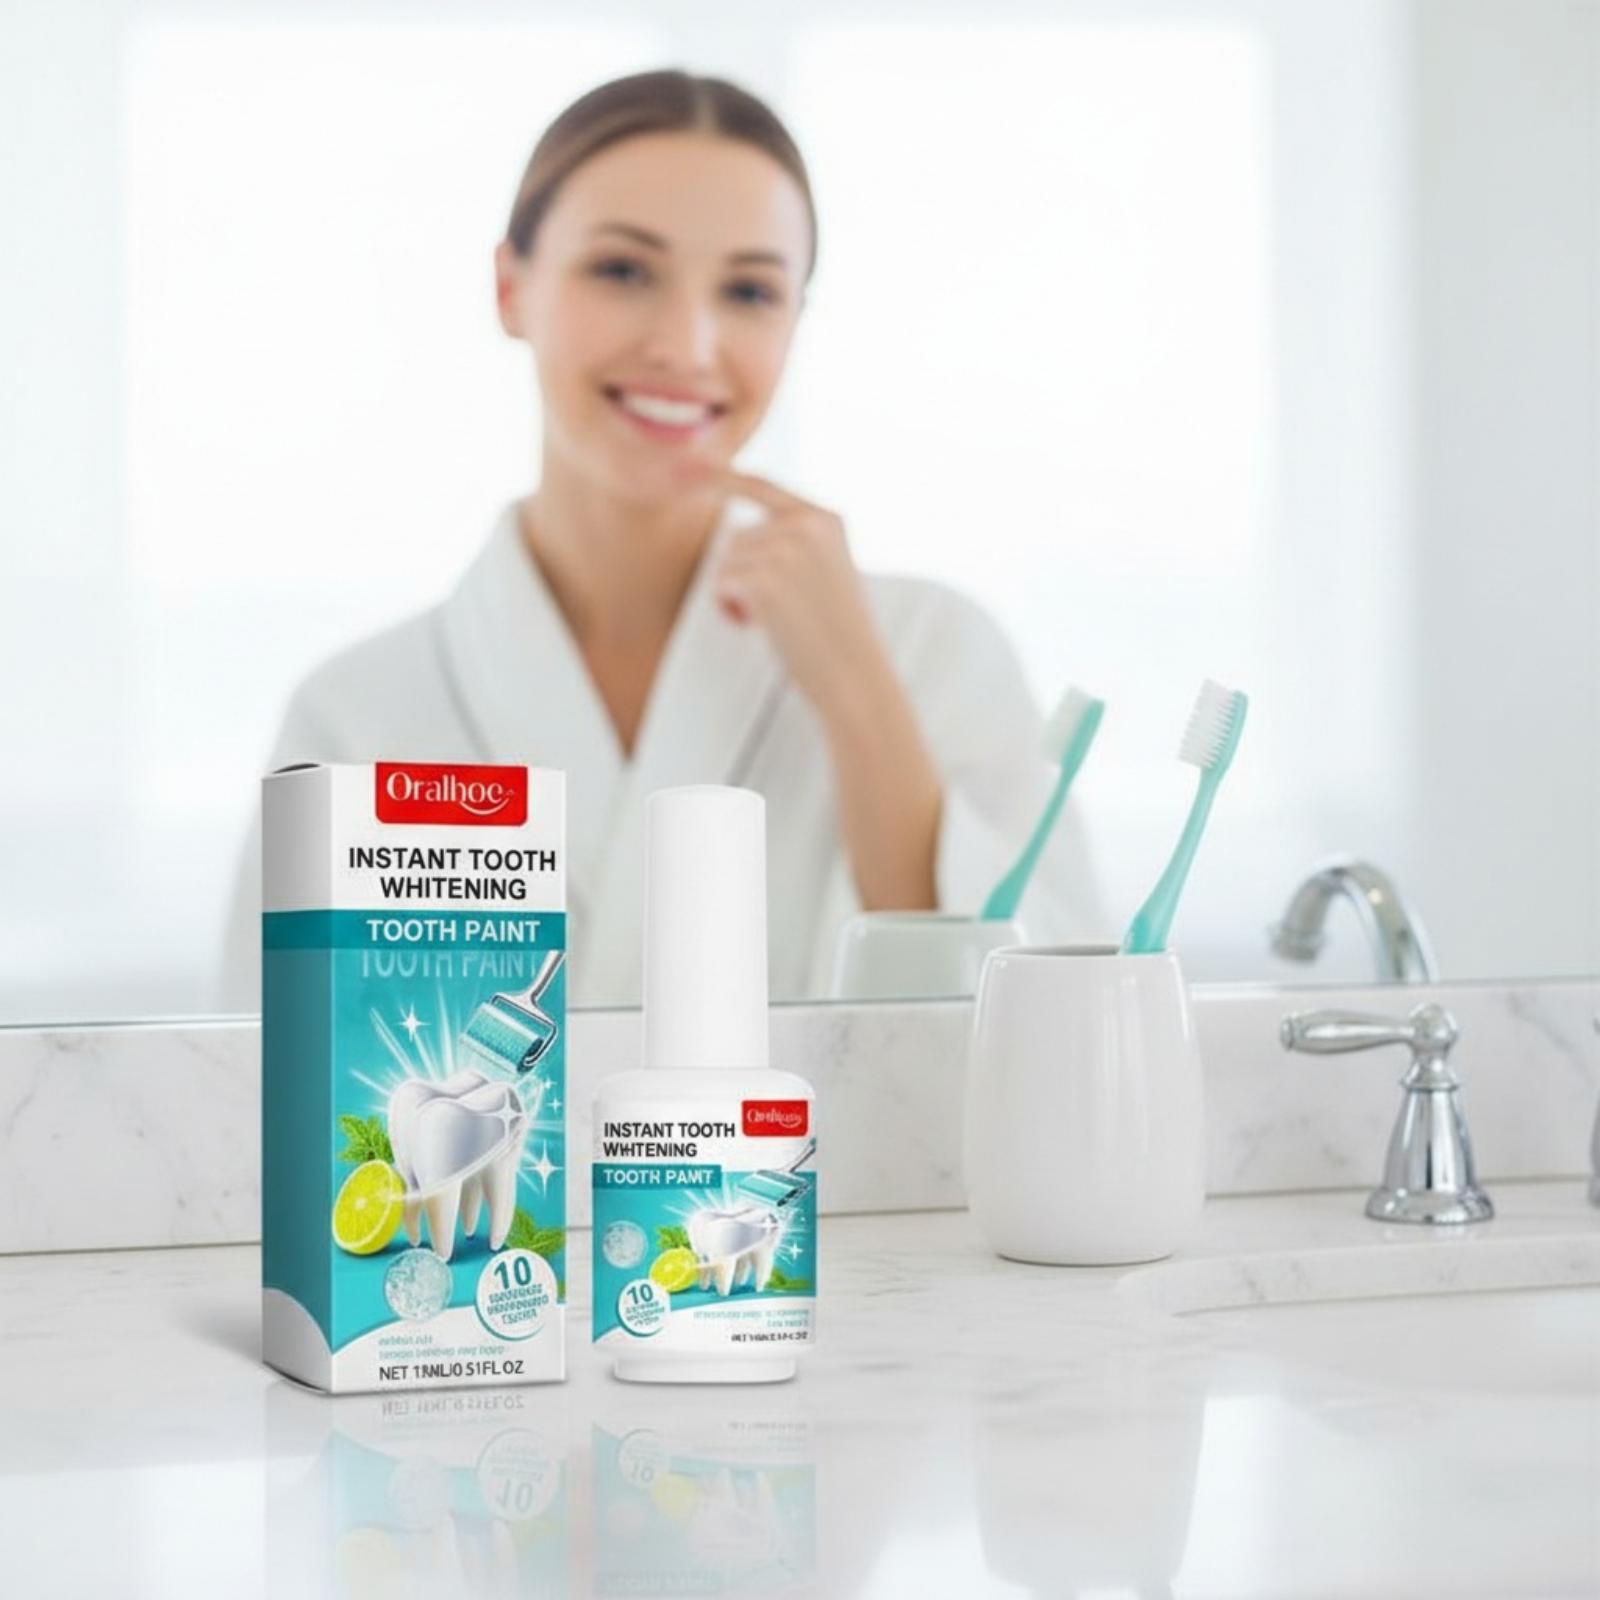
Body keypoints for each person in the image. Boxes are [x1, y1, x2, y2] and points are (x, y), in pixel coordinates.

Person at [220, 69, 1103, 1010]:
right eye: (623, 271)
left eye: (751, 290)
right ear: (511, 287)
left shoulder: (931, 650)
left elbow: (1053, 1035)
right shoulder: (355, 715)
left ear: (795, 323)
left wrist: (858, 693)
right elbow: (250, 1076)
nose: (687, 346)